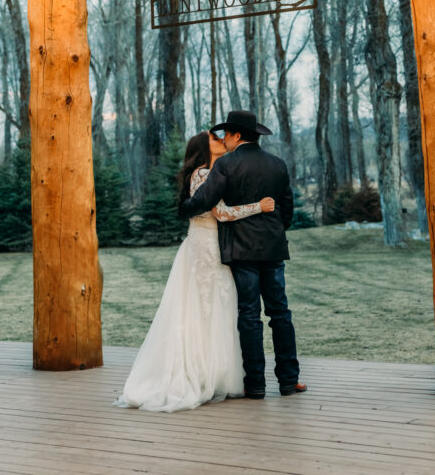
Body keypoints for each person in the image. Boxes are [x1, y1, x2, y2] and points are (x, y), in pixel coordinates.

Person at [114, 129, 274, 412]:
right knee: (203, 308)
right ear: (204, 147)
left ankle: (217, 373)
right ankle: (198, 374)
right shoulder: (202, 174)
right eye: (215, 139)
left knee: (219, 306)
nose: (221, 140)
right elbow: (222, 213)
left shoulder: (216, 171)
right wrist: (258, 207)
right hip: (205, 245)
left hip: (215, 244)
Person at [180, 109, 306, 400]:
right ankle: (289, 380)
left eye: (226, 134)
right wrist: (274, 229)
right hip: (273, 248)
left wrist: (184, 208)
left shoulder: (226, 165)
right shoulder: (277, 164)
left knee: (249, 315)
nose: (223, 139)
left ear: (237, 135)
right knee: (280, 313)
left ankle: (256, 384)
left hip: (241, 249)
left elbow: (204, 200)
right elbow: (286, 207)